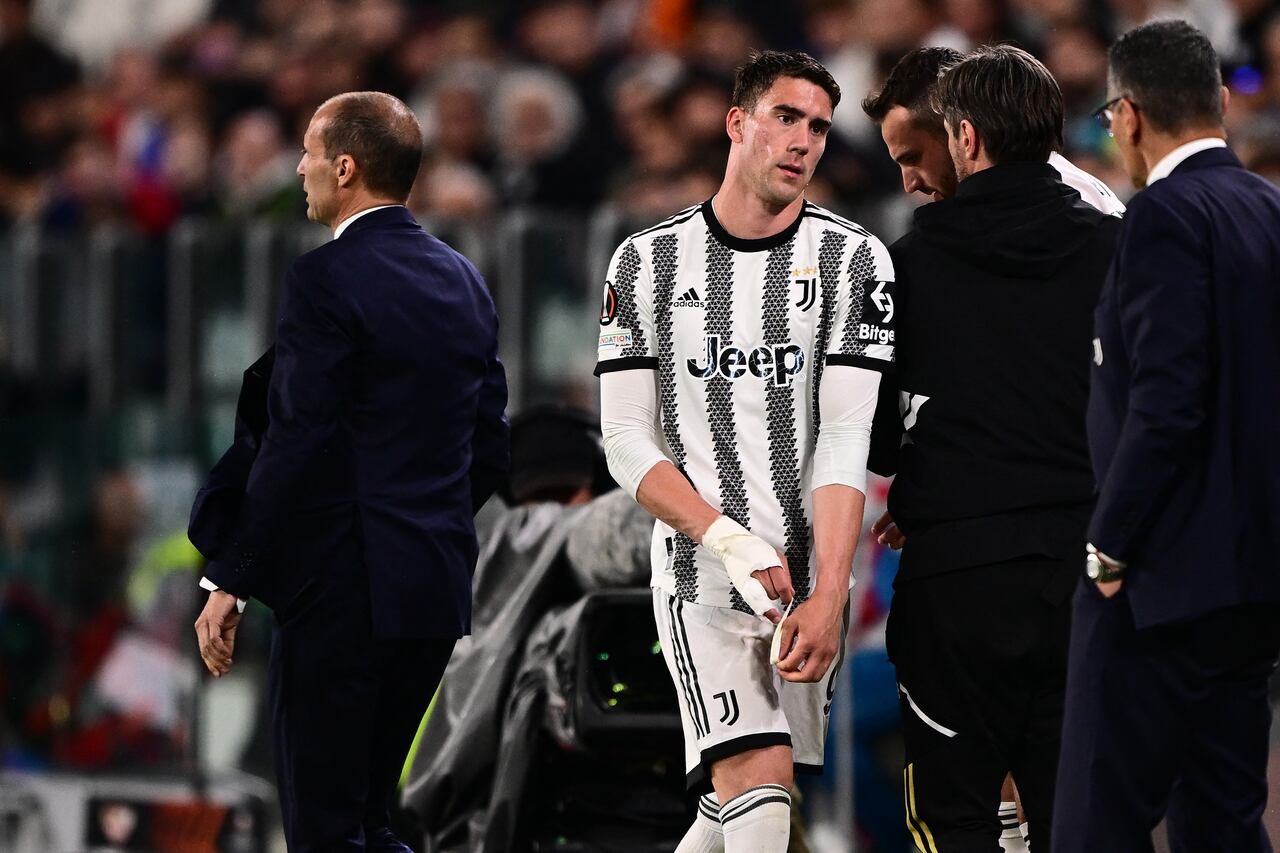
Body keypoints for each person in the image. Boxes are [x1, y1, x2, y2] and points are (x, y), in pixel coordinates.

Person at [191, 91, 509, 852]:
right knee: (370, 820)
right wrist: (421, 521)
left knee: (328, 828)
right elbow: (490, 447)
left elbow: (296, 441)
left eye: (306, 151)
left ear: (345, 167)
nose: (297, 167)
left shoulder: (324, 279)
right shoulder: (466, 280)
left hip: (343, 595)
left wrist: (230, 576)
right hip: (431, 589)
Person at [596, 50, 894, 853]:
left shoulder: (855, 261)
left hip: (808, 586)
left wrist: (830, 592)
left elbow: (844, 438)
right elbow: (625, 439)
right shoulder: (646, 260)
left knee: (736, 817)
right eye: (786, 118)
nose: (803, 141)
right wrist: (724, 537)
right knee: (762, 786)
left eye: (820, 128)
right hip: (703, 578)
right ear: (738, 123)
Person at [860, 45, 1124, 853]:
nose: (909, 177)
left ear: (964, 137)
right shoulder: (1118, 244)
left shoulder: (907, 266)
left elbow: (874, 435)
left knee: (955, 818)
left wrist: (937, 482)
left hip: (959, 580)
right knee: (1078, 818)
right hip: (1085, 569)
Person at [1053, 20, 1280, 852]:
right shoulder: (1269, 207)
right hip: (1253, 586)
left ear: (1127, 117)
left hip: (1156, 583)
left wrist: (1110, 543)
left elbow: (1168, 399)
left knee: (1094, 821)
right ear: (1221, 101)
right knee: (1223, 818)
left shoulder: (1160, 217)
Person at [861, 46, 1125, 214]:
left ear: (958, 133)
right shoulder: (1035, 197)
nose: (909, 184)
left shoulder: (1062, 207)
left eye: (912, 158)